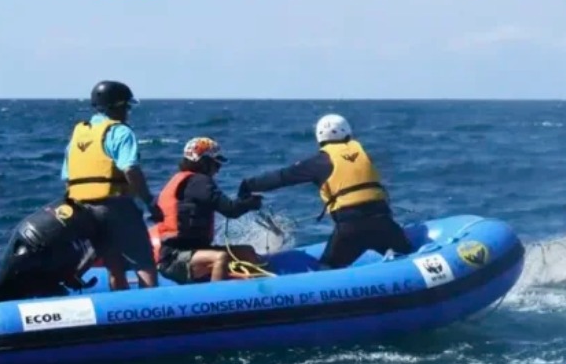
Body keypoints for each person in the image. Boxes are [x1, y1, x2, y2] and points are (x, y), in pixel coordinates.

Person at [237, 114, 413, 268]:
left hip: (350, 228)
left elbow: (283, 177)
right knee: (408, 256)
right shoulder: (365, 153)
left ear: (319, 138)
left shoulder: (319, 162)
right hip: (385, 223)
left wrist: (249, 185)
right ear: (348, 133)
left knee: (327, 267)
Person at [61, 80, 161, 291]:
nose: (128, 111)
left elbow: (67, 178)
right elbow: (130, 168)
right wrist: (149, 202)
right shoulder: (120, 132)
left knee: (114, 265)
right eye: (126, 106)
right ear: (117, 106)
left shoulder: (77, 136)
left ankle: (121, 312)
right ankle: (150, 313)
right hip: (115, 206)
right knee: (144, 263)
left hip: (84, 209)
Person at [152, 137, 266, 284]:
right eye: (216, 163)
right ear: (203, 162)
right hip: (175, 257)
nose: (218, 168)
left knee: (247, 252)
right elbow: (230, 210)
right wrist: (251, 203)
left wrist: (244, 202)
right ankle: (219, 301)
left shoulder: (188, 181)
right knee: (220, 258)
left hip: (196, 251)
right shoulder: (198, 182)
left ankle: (261, 293)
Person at [0, 201, 99, 301]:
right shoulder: (110, 214)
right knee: (55, 292)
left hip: (29, 228)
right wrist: (75, 275)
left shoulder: (84, 193)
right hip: (50, 244)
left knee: (6, 288)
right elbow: (96, 250)